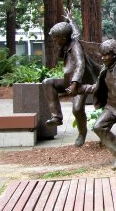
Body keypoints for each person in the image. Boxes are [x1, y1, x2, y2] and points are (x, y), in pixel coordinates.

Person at [77, 39, 116, 174]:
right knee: (98, 127)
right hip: (111, 108)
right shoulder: (104, 71)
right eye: (102, 54)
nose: (102, 57)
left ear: (115, 55)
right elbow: (96, 87)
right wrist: (81, 88)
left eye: (106, 55)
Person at [43, 12, 100, 147]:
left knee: (77, 109)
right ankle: (57, 117)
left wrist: (75, 84)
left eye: (55, 39)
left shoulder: (75, 47)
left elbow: (80, 64)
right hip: (69, 81)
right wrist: (71, 20)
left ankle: (82, 133)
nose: (54, 41)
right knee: (48, 83)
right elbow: (75, 32)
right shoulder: (68, 41)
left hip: (80, 82)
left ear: (63, 38)